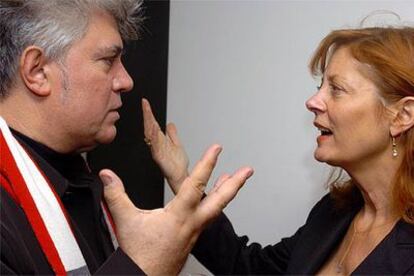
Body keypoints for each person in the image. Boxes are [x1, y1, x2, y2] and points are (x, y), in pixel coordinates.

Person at [0, 0, 254, 275]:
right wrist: (143, 266)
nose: (126, 80)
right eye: (108, 61)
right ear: (37, 71)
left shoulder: (79, 180)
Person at [143, 25, 414, 275]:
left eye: (337, 89)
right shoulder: (333, 213)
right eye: (320, 86)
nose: (312, 101)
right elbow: (249, 268)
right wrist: (182, 179)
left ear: (402, 116)